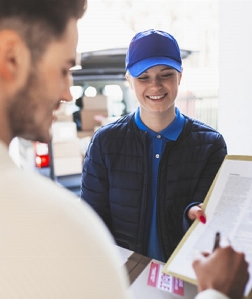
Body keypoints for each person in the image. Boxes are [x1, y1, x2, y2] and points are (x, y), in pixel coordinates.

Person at [0, 0, 248, 298]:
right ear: (11, 58)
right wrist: (217, 292)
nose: (69, 93)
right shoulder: (46, 226)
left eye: (165, 75)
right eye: (64, 69)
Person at [81, 29, 228, 262]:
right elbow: (92, 223)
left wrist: (194, 215)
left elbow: (208, 220)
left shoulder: (211, 145)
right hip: (125, 281)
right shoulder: (105, 143)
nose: (155, 86)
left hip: (184, 279)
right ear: (128, 80)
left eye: (166, 75)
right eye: (143, 77)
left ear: (180, 76)